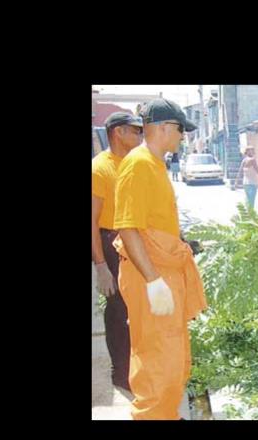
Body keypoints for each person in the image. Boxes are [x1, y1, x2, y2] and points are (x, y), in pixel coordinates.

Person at [112, 98, 208, 420]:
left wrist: (181, 242)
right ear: (164, 127)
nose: (183, 136)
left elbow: (151, 222)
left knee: (172, 355)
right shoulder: (138, 165)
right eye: (181, 130)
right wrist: (153, 281)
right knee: (156, 358)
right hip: (149, 276)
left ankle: (166, 413)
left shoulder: (154, 163)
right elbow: (127, 227)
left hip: (162, 273)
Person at [92, 111, 144, 392]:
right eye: (134, 131)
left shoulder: (134, 163)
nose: (139, 136)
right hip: (111, 242)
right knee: (118, 309)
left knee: (135, 308)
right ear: (118, 133)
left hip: (133, 239)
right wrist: (100, 265)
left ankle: (136, 367)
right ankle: (121, 374)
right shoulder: (100, 168)